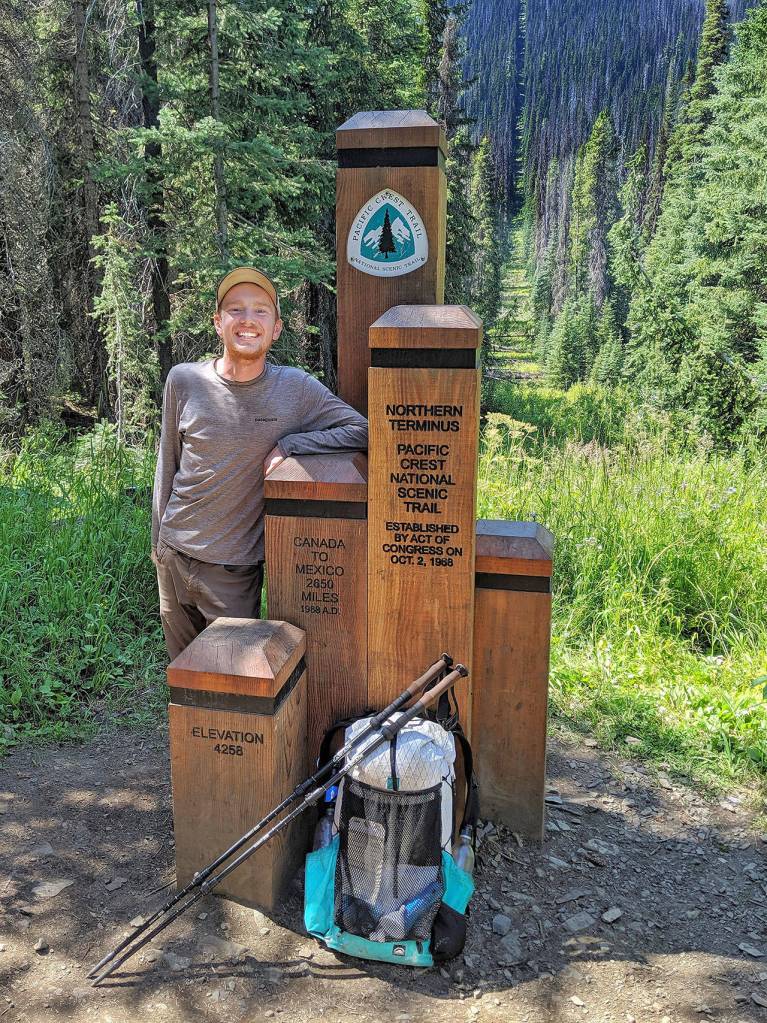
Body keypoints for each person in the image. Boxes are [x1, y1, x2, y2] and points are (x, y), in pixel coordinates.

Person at [151, 266, 367, 659]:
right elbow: (167, 465)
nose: (247, 320)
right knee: (183, 678)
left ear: (277, 327)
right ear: (218, 323)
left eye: (260, 311)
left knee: (232, 681)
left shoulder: (295, 388)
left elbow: (364, 430)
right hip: (174, 556)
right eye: (235, 310)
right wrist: (158, 547)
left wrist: (293, 443)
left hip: (234, 571)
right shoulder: (183, 381)